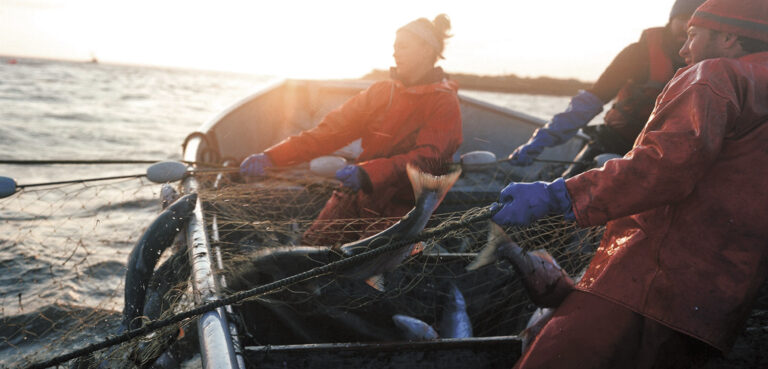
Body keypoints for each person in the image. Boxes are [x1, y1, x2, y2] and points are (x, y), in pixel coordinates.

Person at [491, 0, 768, 367]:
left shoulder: (716, 75)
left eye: (693, 35)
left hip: (647, 283)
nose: (684, 50)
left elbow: (663, 169)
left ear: (730, 37)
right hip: (716, 302)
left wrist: (560, 194)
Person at [240, 14, 462, 246]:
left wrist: (368, 174)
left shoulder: (444, 102)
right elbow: (329, 132)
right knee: (308, 257)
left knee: (367, 272)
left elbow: (429, 161)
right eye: (394, 47)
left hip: (404, 209)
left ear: (427, 50)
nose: (395, 53)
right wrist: (273, 156)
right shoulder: (381, 92)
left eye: (402, 47)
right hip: (359, 195)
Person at [509, 0, 705, 177]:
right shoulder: (637, 54)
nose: (687, 26)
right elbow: (593, 99)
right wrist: (542, 140)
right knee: (562, 200)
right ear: (670, 20)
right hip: (613, 142)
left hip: (662, 156)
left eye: (695, 22)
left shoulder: (710, 64)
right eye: (682, 18)